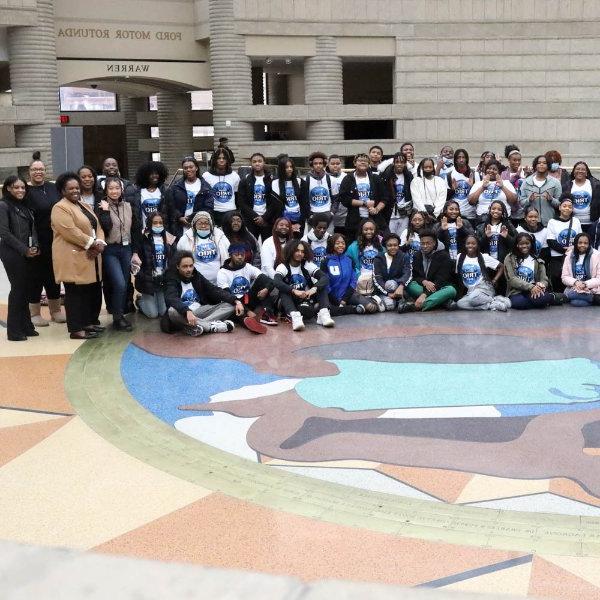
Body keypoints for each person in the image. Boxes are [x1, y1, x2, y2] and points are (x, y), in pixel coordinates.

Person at [51, 172, 106, 339]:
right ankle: (76, 329)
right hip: (71, 257)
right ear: (62, 191)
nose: (75, 190)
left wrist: (100, 243)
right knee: (74, 294)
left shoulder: (84, 205)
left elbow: (98, 227)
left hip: (90, 256)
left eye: (77, 187)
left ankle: (87, 323)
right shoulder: (60, 207)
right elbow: (70, 231)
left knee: (88, 292)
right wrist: (92, 243)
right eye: (70, 188)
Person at [96, 177, 142, 331]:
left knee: (125, 283)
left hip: (126, 249)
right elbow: (106, 228)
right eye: (111, 188)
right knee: (119, 283)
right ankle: (117, 317)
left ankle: (119, 315)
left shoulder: (128, 206)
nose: (114, 191)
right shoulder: (102, 207)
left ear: (122, 190)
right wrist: (106, 211)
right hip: (110, 250)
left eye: (117, 188)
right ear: (106, 191)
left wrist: (135, 252)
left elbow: (135, 230)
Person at [25, 153, 65, 326]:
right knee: (35, 277)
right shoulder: (25, 191)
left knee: (53, 276)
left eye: (41, 169)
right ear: (29, 172)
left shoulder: (53, 188)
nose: (38, 172)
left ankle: (55, 310)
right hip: (34, 241)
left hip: (54, 240)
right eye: (34, 169)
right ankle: (34, 313)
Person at [163, 250, 242, 336]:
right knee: (172, 311)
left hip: (200, 311)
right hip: (183, 313)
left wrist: (236, 301)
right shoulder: (171, 278)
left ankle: (200, 325)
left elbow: (213, 289)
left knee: (230, 305)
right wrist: (186, 311)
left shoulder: (196, 275)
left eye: (191, 266)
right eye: (185, 266)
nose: (189, 269)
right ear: (178, 266)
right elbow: (171, 298)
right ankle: (210, 327)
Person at [0, 176, 40, 341]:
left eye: (23, 187)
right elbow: (4, 232)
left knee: (25, 289)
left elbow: (32, 229)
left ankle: (26, 326)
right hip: (12, 252)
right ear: (8, 188)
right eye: (16, 187)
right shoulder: (3, 205)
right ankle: (14, 330)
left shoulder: (24, 206)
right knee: (18, 289)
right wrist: (24, 250)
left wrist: (35, 246)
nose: (20, 190)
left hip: (27, 252)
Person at [273, 239, 335, 331]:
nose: (300, 254)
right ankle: (295, 316)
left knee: (321, 286)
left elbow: (324, 278)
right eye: (297, 251)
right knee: (284, 290)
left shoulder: (307, 265)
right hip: (289, 300)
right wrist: (294, 291)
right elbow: (277, 282)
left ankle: (324, 313)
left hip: (305, 297)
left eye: (302, 251)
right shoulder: (283, 266)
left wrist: (314, 289)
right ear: (291, 251)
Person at [217, 243, 276, 331]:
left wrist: (267, 289)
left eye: (242, 254)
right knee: (232, 307)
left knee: (262, 282)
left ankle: (267, 313)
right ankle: (246, 321)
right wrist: (247, 310)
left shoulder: (247, 267)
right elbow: (227, 294)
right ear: (230, 256)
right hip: (234, 302)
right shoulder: (222, 272)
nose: (240, 257)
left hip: (247, 298)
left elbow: (267, 280)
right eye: (236, 255)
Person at [321, 233, 377, 315]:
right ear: (331, 245)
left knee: (370, 307)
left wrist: (344, 300)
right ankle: (354, 309)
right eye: (337, 243)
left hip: (348, 295)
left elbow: (353, 281)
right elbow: (326, 285)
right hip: (331, 297)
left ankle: (347, 308)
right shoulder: (325, 262)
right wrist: (337, 301)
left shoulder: (349, 260)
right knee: (323, 310)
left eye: (343, 243)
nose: (341, 245)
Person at [135, 211, 176, 319]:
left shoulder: (168, 238)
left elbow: (173, 258)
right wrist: (143, 276)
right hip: (148, 280)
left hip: (162, 279)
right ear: (149, 223)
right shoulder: (143, 238)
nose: (158, 225)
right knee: (153, 315)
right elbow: (136, 261)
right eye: (155, 223)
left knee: (163, 312)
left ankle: (153, 301)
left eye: (160, 223)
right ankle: (140, 301)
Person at [454, 235, 510, 311]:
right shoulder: (460, 257)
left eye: (473, 243)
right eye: (468, 243)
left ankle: (493, 299)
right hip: (471, 292)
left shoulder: (484, 257)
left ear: (477, 245)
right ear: (465, 245)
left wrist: (494, 280)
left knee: (472, 299)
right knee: (460, 303)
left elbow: (501, 266)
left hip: (484, 289)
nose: (470, 245)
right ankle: (491, 304)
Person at [405, 230, 457, 312]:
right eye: (422, 243)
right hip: (424, 286)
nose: (425, 246)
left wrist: (424, 295)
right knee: (410, 285)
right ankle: (442, 301)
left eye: (428, 243)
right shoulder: (417, 255)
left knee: (451, 290)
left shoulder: (444, 256)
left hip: (440, 286)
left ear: (434, 243)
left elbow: (441, 279)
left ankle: (415, 306)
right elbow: (415, 276)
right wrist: (424, 281)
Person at [339, 153, 387, 236]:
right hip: (354, 220)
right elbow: (344, 199)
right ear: (354, 163)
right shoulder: (348, 179)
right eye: (360, 161)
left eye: (365, 161)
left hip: (374, 219)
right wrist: (364, 203)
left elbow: (384, 198)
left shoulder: (375, 178)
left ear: (369, 164)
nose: (363, 162)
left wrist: (376, 209)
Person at [176, 211, 229, 283]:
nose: (203, 226)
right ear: (194, 225)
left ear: (211, 224)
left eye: (206, 223)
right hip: (195, 283)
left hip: (219, 283)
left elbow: (228, 256)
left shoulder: (220, 236)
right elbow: (180, 260)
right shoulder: (185, 239)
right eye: (200, 223)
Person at [237, 152, 279, 241]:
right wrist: (256, 217)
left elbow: (275, 202)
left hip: (267, 220)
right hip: (250, 220)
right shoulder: (245, 180)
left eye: (260, 161)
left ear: (264, 162)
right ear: (251, 164)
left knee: (268, 246)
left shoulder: (273, 180)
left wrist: (264, 218)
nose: (257, 163)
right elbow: (241, 202)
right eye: (254, 161)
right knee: (251, 246)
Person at [504, 232, 552, 309]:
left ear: (531, 244)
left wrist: (542, 284)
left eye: (527, 243)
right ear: (517, 245)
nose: (524, 246)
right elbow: (512, 279)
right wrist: (530, 287)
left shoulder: (537, 260)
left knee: (543, 298)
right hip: (516, 290)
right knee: (520, 303)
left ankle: (542, 300)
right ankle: (538, 303)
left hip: (534, 288)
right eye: (521, 244)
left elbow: (544, 279)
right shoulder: (509, 258)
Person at [167, 156, 211, 239]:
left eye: (191, 167)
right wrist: (179, 217)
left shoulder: (205, 186)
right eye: (185, 168)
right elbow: (171, 205)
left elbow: (208, 206)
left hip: (200, 225)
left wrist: (192, 218)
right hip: (180, 226)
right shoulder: (176, 186)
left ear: (196, 168)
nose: (188, 170)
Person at [546, 194, 582, 292]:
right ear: (559, 207)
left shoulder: (576, 221)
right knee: (556, 276)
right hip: (557, 256)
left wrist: (573, 248)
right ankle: (559, 295)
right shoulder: (552, 222)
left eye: (570, 207)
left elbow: (580, 238)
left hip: (573, 254)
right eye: (564, 206)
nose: (567, 208)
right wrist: (565, 249)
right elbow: (550, 241)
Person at [346, 218, 385, 308]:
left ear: (375, 230)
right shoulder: (353, 247)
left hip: (376, 279)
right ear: (361, 230)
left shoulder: (380, 247)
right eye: (366, 229)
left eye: (371, 229)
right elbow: (349, 266)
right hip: (360, 281)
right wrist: (358, 275)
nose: (369, 232)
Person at [373, 232, 412, 312]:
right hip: (384, 289)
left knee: (391, 284)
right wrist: (388, 294)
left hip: (398, 286)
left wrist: (401, 286)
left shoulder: (404, 256)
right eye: (389, 245)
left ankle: (401, 299)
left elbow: (408, 273)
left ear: (398, 245)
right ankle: (398, 300)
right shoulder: (378, 258)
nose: (393, 247)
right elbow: (377, 279)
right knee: (389, 306)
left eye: (395, 245)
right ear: (385, 246)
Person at [125, 161, 169, 232]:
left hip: (161, 231)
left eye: (156, 173)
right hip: (143, 232)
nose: (155, 176)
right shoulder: (136, 191)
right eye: (151, 174)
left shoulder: (165, 190)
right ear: (145, 175)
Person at [202, 147, 240, 227]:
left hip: (230, 212)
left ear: (228, 160)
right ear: (215, 159)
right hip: (213, 212)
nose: (221, 160)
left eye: (224, 158)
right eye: (219, 158)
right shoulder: (206, 176)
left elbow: (237, 196)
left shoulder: (234, 176)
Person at [519, 155, 562, 226]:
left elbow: (559, 204)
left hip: (548, 223)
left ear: (548, 166)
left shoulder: (555, 183)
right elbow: (521, 202)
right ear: (535, 166)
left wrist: (551, 199)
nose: (541, 164)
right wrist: (529, 200)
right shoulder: (526, 182)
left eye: (544, 163)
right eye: (539, 163)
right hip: (531, 224)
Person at [561, 232, 600, 307]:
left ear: (589, 244)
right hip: (574, 288)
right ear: (575, 243)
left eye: (586, 243)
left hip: (591, 288)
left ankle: (590, 297)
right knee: (576, 302)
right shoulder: (569, 256)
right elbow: (564, 277)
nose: (583, 245)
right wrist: (576, 282)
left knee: (576, 302)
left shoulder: (597, 256)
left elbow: (599, 278)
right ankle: (594, 299)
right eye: (580, 243)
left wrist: (585, 284)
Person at [271, 155, 306, 237]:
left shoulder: (300, 182)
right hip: (283, 221)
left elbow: (305, 203)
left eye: (291, 167)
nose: (290, 169)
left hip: (298, 220)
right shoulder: (275, 183)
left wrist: (300, 222)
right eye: (286, 167)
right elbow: (275, 205)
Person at [380, 152, 414, 236]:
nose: (399, 164)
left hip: (404, 213)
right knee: (390, 238)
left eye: (402, 162)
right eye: (397, 162)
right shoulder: (386, 176)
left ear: (405, 163)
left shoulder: (409, 176)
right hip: (390, 213)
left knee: (402, 238)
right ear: (393, 163)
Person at [563, 161, 600, 233]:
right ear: (573, 171)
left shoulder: (596, 185)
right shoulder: (567, 185)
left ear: (587, 172)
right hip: (573, 223)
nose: (580, 171)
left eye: (583, 169)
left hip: (592, 224)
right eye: (577, 169)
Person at [300, 151, 333, 220]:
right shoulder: (305, 180)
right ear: (312, 165)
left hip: (327, 213)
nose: (318, 165)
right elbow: (303, 200)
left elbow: (336, 198)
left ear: (324, 164)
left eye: (320, 163)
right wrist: (309, 214)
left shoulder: (330, 179)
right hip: (312, 214)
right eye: (315, 163)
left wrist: (332, 212)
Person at [502, 145, 530, 224]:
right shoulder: (504, 174)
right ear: (509, 160)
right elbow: (504, 188)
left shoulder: (524, 172)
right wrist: (514, 178)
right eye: (514, 160)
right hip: (509, 211)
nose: (517, 162)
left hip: (522, 211)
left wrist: (528, 176)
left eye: (519, 160)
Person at [447, 149, 476, 224]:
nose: (461, 160)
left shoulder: (474, 174)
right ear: (455, 160)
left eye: (463, 157)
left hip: (470, 215)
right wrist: (453, 190)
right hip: (454, 214)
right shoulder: (449, 175)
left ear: (467, 159)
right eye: (459, 157)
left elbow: (478, 196)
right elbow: (446, 197)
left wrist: (472, 187)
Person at [328, 154, 348, 235]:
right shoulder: (324, 178)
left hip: (345, 216)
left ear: (341, 164)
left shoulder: (346, 177)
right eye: (332, 164)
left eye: (337, 163)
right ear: (328, 165)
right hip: (330, 216)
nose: (335, 166)